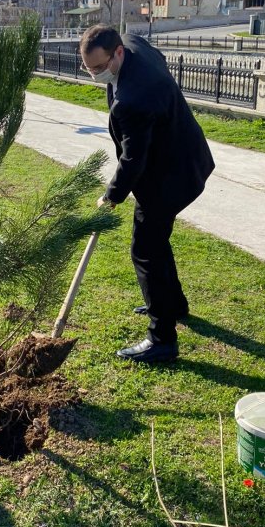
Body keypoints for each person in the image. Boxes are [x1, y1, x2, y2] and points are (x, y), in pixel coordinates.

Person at [79, 25, 214, 365]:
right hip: (180, 157)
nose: (94, 74)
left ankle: (161, 339)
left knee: (145, 250)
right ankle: (173, 305)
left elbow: (132, 159)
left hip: (171, 176)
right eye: (88, 67)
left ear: (118, 52)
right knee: (156, 241)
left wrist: (111, 196)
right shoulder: (133, 43)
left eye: (99, 68)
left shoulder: (133, 100)